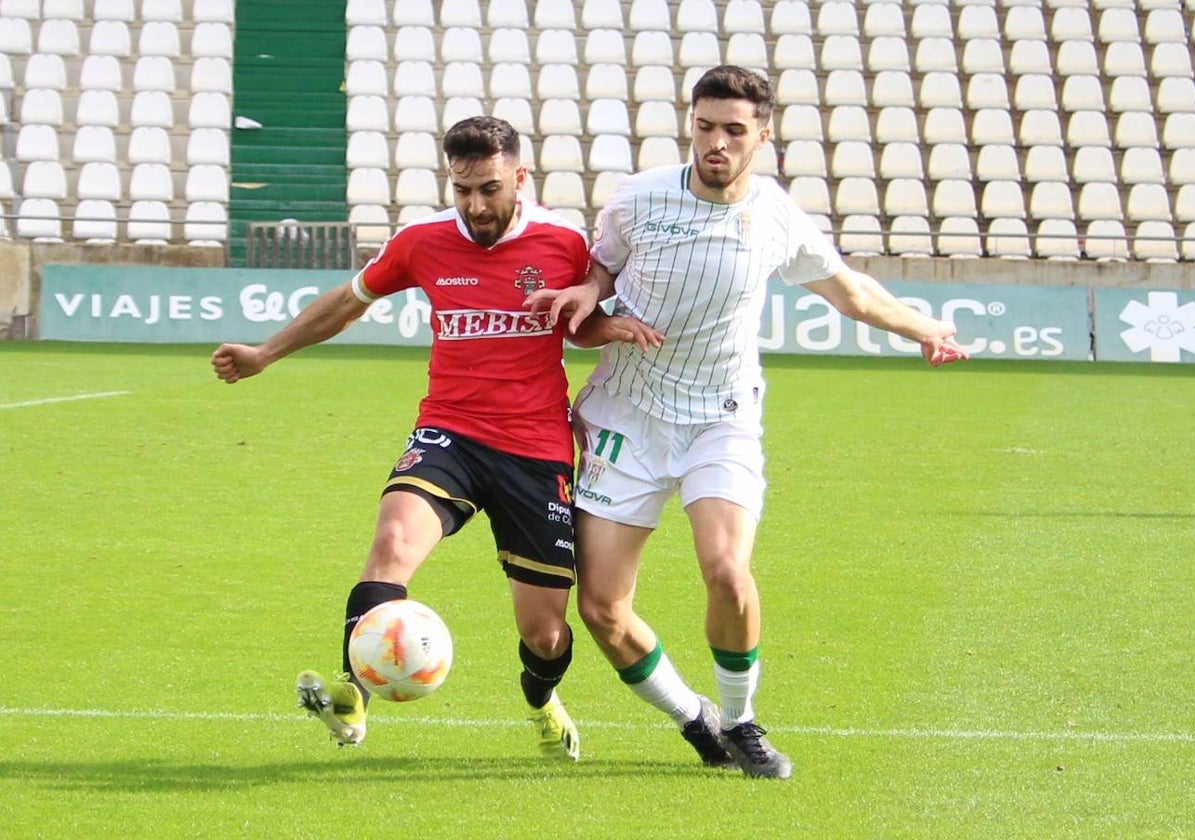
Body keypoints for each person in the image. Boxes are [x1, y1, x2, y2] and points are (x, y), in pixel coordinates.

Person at [530, 66, 969, 779]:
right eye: (705, 127)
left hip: (721, 418)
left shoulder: (775, 216)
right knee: (603, 610)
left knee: (727, 571)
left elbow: (851, 292)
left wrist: (922, 328)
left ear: (763, 136)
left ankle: (742, 719)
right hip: (626, 419)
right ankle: (692, 717)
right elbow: (604, 268)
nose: (716, 143)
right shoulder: (639, 198)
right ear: (691, 125)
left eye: (734, 131)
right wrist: (589, 290)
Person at [211, 116, 646, 761]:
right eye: (463, 188)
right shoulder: (423, 241)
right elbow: (347, 302)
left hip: (536, 447)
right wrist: (265, 353)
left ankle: (539, 701)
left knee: (547, 632)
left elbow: (577, 319)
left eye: (489, 189)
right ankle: (352, 698)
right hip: (451, 432)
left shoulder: (564, 241)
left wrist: (602, 328)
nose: (475, 205)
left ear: (520, 178)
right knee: (391, 543)